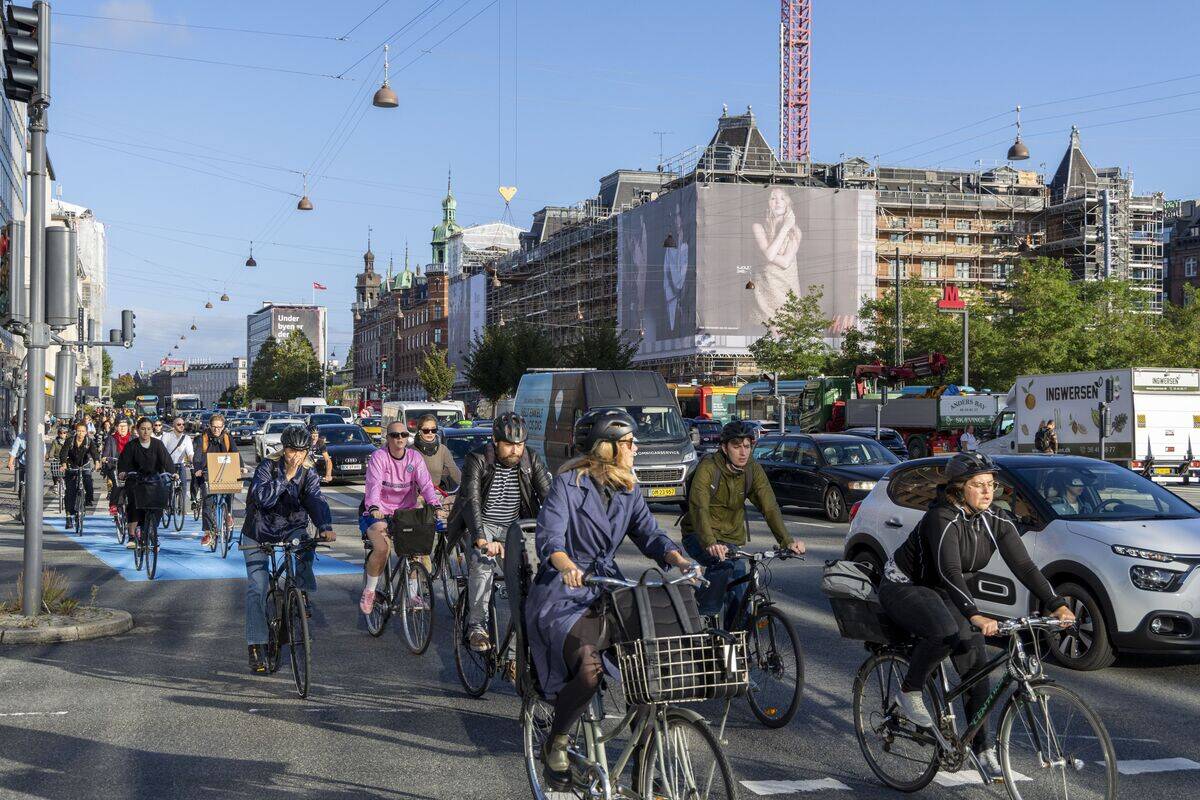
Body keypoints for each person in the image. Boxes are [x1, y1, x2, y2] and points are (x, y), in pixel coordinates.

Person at [878, 451, 1075, 780]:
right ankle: (909, 690)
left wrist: (1056, 603)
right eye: (978, 485)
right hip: (905, 585)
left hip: (946, 591)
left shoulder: (994, 519)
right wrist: (975, 615)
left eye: (991, 485)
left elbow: (1024, 566)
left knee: (977, 668)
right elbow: (949, 571)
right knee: (942, 631)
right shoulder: (941, 517)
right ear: (958, 489)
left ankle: (982, 750)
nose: (988, 492)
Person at [528, 409, 698, 790]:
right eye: (628, 443)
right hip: (564, 592)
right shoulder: (567, 485)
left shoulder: (629, 487)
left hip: (607, 587)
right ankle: (557, 740)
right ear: (606, 448)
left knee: (649, 666)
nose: (635, 448)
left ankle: (644, 764)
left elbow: (649, 533)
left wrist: (676, 557)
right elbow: (549, 538)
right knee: (589, 670)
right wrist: (566, 564)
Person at [681, 419, 806, 626]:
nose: (743, 452)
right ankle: (704, 614)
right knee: (726, 565)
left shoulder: (752, 470)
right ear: (724, 447)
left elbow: (770, 506)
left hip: (731, 539)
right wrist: (710, 542)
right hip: (698, 534)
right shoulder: (709, 468)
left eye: (747, 446)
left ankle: (733, 643)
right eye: (736, 446)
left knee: (740, 593)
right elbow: (699, 508)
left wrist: (787, 541)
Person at [447, 412, 551, 654]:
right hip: (482, 524)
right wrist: (481, 539)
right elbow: (471, 500)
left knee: (532, 578)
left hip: (515, 528)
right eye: (509, 444)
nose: (515, 450)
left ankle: (516, 651)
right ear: (495, 440)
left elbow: (550, 497)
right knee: (482, 564)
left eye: (520, 444)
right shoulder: (478, 459)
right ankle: (477, 627)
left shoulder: (530, 459)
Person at [243, 425, 335, 673]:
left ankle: (301, 591)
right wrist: (285, 478)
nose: (297, 456)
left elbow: (315, 499)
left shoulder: (308, 472)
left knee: (306, 544)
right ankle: (256, 644)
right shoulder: (267, 467)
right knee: (258, 586)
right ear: (284, 450)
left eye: (302, 451)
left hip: (291, 528)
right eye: (292, 450)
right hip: (259, 531)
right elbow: (262, 499)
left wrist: (325, 525)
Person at [359, 420, 442, 615]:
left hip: (406, 513)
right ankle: (370, 590)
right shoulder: (379, 457)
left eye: (403, 435)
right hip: (379, 511)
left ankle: (412, 595)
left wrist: (435, 504)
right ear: (387, 438)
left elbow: (426, 484)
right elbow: (373, 485)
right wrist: (373, 507)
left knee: (416, 551)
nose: (399, 439)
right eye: (395, 435)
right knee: (382, 548)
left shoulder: (414, 457)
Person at [117, 417, 174, 549]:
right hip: (136, 480)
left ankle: (153, 531)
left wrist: (173, 473)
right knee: (133, 502)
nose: (146, 432)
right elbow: (123, 462)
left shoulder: (158, 445)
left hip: (154, 481)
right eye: (143, 429)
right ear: (137, 430)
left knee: (160, 504)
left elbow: (167, 460)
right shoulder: (131, 446)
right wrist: (123, 472)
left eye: (149, 429)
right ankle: (132, 535)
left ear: (152, 430)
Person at [750, 186, 802, 324]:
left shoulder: (795, 232)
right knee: (766, 332)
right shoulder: (758, 227)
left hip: (787, 291)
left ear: (788, 203)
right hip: (765, 291)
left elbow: (785, 262)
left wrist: (787, 227)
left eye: (782, 198)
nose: (778, 202)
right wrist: (785, 227)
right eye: (773, 198)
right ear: (767, 203)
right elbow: (769, 255)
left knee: (789, 333)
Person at [192, 413, 236, 549]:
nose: (217, 429)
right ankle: (208, 533)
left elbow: (235, 453)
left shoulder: (228, 438)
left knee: (230, 490)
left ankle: (228, 515)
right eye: (214, 427)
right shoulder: (203, 438)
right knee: (207, 502)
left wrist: (241, 467)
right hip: (208, 473)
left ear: (223, 427)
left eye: (219, 427)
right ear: (210, 426)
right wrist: (198, 469)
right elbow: (197, 456)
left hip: (225, 470)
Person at [58, 420, 98, 529]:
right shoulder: (70, 440)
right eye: (79, 431)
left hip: (84, 465)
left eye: (83, 431)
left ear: (86, 432)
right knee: (70, 492)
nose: (80, 433)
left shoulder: (89, 441)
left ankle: (88, 499)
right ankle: (68, 517)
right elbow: (63, 453)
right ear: (76, 431)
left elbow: (94, 453)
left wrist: (97, 462)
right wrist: (64, 463)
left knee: (88, 482)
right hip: (72, 466)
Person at [412, 413, 461, 489]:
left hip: (435, 495)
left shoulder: (442, 450)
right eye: (426, 430)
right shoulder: (410, 451)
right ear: (419, 431)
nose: (430, 433)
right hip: (415, 496)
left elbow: (454, 471)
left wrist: (467, 487)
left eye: (433, 430)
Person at [101, 418, 133, 518]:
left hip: (129, 467)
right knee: (118, 484)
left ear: (128, 427)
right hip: (114, 466)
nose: (122, 428)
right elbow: (106, 452)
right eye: (120, 426)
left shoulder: (133, 438)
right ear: (116, 427)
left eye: (124, 426)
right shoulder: (111, 438)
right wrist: (106, 458)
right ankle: (113, 505)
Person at [160, 416, 195, 505]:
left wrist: (193, 462)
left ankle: (181, 505)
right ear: (173, 426)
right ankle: (168, 504)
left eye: (183, 424)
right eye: (179, 424)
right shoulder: (167, 436)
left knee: (183, 484)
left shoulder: (186, 438)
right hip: (168, 465)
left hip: (180, 465)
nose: (181, 426)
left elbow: (190, 453)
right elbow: (162, 451)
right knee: (168, 485)